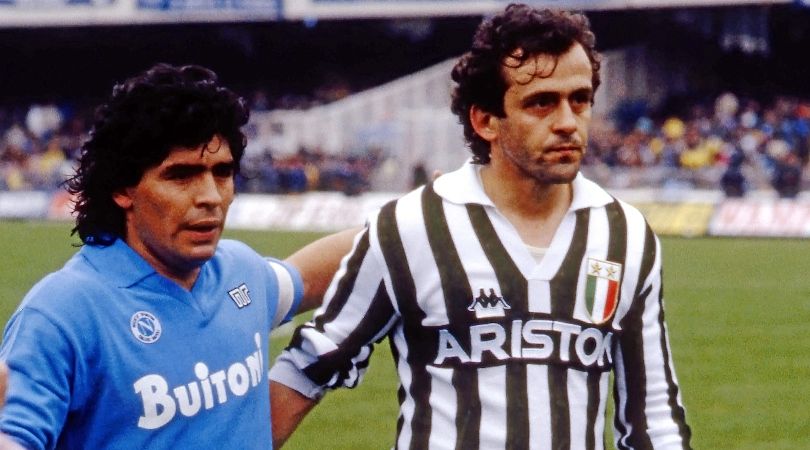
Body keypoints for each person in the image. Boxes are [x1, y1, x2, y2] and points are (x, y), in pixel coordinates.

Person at [269, 4, 692, 449]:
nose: (568, 122)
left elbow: (653, 415)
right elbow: (310, 363)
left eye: (580, 99)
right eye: (541, 102)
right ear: (485, 120)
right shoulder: (412, 226)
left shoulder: (625, 234)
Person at [0, 63, 351, 449]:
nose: (211, 197)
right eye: (180, 175)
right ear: (123, 188)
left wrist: (415, 218)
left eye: (222, 172)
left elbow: (308, 274)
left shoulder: (239, 272)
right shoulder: (61, 316)